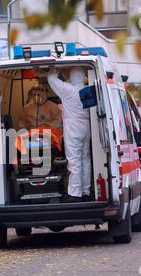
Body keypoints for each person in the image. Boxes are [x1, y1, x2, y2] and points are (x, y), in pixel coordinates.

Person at [43, 67, 92, 202]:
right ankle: (86, 191)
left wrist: (55, 68)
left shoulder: (68, 90)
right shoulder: (87, 90)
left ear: (73, 76)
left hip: (73, 128)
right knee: (85, 160)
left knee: (74, 160)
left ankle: (75, 193)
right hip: (86, 127)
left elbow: (51, 79)